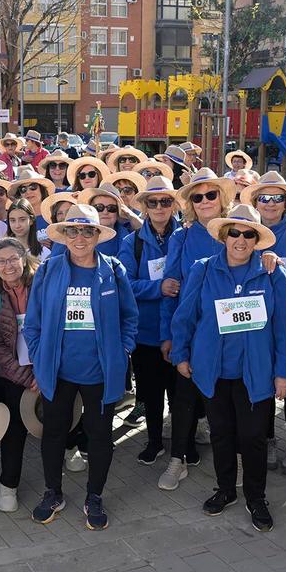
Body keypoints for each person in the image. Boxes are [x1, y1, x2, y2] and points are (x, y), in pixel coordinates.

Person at [171, 205, 286, 532]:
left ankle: (256, 497)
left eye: (248, 234)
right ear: (224, 236)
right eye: (234, 233)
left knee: (254, 437)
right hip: (212, 371)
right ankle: (226, 489)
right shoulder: (202, 270)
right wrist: (181, 355)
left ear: (257, 239)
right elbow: (185, 316)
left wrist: (285, 371)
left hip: (255, 373)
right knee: (221, 434)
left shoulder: (272, 273)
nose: (240, 240)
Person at [23, 205, 138, 530]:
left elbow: (130, 317)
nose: (80, 237)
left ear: (97, 235)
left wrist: (124, 348)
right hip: (57, 372)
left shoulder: (113, 270)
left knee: (100, 435)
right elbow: (33, 322)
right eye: (72, 230)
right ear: (65, 235)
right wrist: (39, 353)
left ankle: (95, 495)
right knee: (54, 434)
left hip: (100, 372)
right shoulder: (49, 270)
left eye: (87, 230)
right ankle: (52, 492)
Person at [158, 168, 237, 474]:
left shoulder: (237, 230)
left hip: (232, 329)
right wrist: (170, 335)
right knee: (184, 396)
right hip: (192, 328)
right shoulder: (183, 235)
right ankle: (177, 459)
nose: (205, 201)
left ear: (222, 198)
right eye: (198, 196)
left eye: (211, 194)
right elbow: (170, 285)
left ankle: (234, 461)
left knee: (228, 397)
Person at [241, 171, 286, 476]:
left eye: (277, 198)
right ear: (256, 203)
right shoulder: (245, 234)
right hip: (257, 329)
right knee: (261, 387)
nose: (270, 203)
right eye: (264, 198)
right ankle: (269, 439)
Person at [117, 176, 180, 469]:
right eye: (152, 202)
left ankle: (183, 445)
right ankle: (154, 441)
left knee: (180, 394)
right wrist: (158, 288)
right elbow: (126, 284)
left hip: (180, 330)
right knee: (152, 394)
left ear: (174, 204)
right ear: (143, 206)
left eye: (165, 201)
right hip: (146, 333)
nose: (159, 207)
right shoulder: (132, 244)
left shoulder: (186, 237)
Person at [0, 237, 40, 512]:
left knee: (57, 419)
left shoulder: (42, 285)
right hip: (14, 374)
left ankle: (70, 449)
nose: (8, 266)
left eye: (13, 259)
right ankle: (8, 485)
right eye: (1, 261)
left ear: (24, 259)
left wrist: (43, 372)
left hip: (46, 369)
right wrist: (23, 376)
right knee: (14, 431)